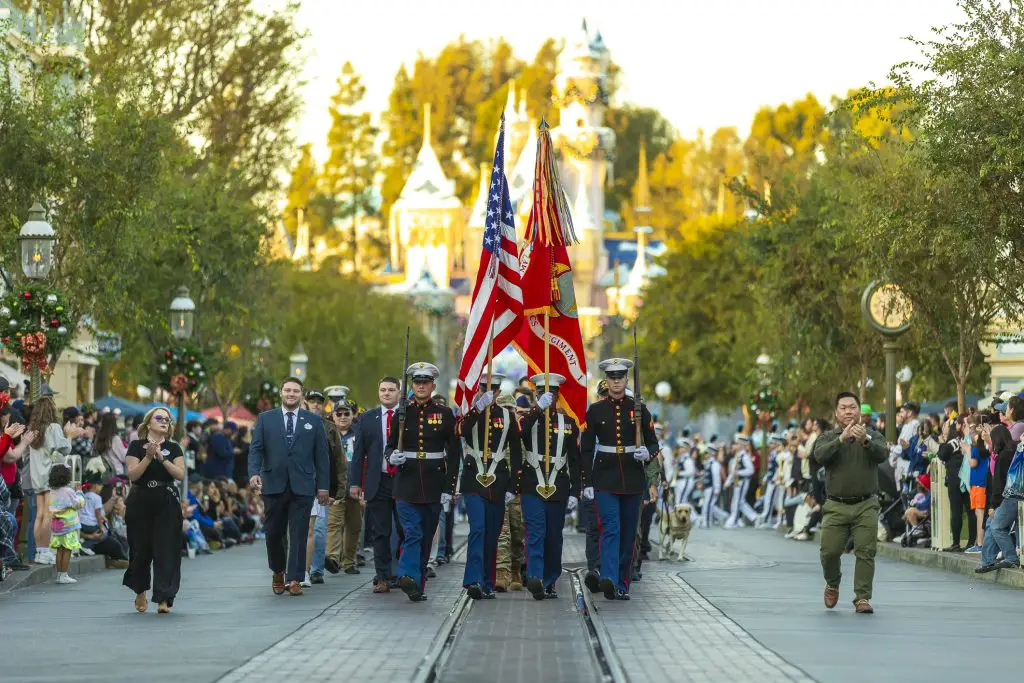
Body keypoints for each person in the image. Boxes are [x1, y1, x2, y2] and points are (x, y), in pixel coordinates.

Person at [580, 358, 658, 601]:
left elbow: (653, 441)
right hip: (605, 478)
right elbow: (585, 449)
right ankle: (609, 579)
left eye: (620, 377)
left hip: (633, 479)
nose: (616, 382)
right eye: (612, 377)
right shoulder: (595, 410)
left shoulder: (639, 409)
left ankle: (623, 583)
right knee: (610, 529)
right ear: (607, 380)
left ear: (626, 380)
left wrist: (647, 453)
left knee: (627, 535)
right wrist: (587, 483)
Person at [385, 362, 461, 602]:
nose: (420, 386)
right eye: (417, 382)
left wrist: (450, 489)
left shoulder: (445, 414)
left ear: (432, 385)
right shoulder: (401, 413)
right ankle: (406, 575)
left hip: (434, 484)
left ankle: (416, 583)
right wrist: (392, 457)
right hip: (405, 482)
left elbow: (454, 453)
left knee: (426, 535)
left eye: (425, 382)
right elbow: (389, 446)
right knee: (413, 532)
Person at [248, 377, 330, 597]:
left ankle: (295, 579)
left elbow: (322, 457)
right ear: (281, 393)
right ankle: (277, 571)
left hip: (303, 486)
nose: (291, 394)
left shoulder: (313, 421)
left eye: (295, 391)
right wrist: (254, 473)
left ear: (301, 394)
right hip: (273, 484)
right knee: (273, 532)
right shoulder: (265, 419)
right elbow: (255, 449)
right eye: (287, 390)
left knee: (299, 533)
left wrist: (323, 487)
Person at [813, 392, 888, 615]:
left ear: (860, 411)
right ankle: (832, 582)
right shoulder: (828, 437)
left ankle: (862, 597)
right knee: (829, 551)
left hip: (866, 504)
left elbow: (883, 454)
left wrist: (865, 441)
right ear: (836, 413)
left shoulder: (873, 435)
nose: (848, 411)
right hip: (836, 505)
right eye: (843, 408)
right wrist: (840, 441)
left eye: (852, 407)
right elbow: (819, 456)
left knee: (866, 551)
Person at [459, 373, 522, 600]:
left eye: (493, 388)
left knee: (492, 533)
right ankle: (473, 579)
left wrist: (513, 486)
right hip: (473, 478)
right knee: (478, 528)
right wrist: (478, 408)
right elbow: (462, 431)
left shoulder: (506, 415)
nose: (489, 391)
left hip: (498, 480)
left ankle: (486, 582)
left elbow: (515, 451)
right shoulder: (470, 413)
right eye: (484, 387)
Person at [519, 373, 582, 600]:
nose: (547, 396)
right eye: (542, 392)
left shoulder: (568, 423)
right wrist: (537, 408)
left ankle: (550, 579)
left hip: (558, 485)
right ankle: (535, 578)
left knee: (553, 536)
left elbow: (575, 459)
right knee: (536, 532)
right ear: (536, 393)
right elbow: (520, 432)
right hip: (532, 484)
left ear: (557, 395)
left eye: (552, 393)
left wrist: (576, 490)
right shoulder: (529, 417)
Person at [123, 406, 186, 613]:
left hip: (166, 499)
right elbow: (133, 475)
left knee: (166, 550)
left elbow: (179, 474)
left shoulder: (174, 448)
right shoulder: (136, 445)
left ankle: (163, 597)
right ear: (149, 422)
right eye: (159, 418)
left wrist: (162, 458)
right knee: (140, 549)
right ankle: (140, 590)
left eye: (167, 419)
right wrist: (148, 457)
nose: (163, 421)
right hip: (141, 500)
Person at [350, 377, 402, 593]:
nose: (387, 393)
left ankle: (402, 572)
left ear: (399, 392)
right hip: (377, 481)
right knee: (380, 531)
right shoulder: (367, 418)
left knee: (405, 529)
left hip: (403, 480)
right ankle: (382, 576)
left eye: (391, 390)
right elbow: (358, 453)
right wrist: (355, 483)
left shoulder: (407, 415)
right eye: (383, 390)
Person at [27, 388, 74, 565]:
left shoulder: (34, 429)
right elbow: (65, 449)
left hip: (36, 476)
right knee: (47, 514)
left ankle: (39, 551)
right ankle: (45, 550)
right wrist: (69, 436)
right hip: (49, 476)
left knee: (39, 514)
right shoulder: (53, 427)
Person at [303, 390, 339, 585]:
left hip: (321, 487)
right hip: (301, 485)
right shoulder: (299, 422)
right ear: (306, 402)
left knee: (318, 530)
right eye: (312, 401)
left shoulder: (329, 428)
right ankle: (299, 570)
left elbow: (336, 462)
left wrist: (334, 490)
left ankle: (316, 570)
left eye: (319, 402)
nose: (315, 404)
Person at [327, 399, 361, 575]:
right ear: (333, 415)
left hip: (356, 485)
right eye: (338, 413)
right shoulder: (327, 433)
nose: (342, 417)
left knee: (354, 525)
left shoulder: (360, 433)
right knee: (334, 523)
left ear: (353, 415)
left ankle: (348, 561)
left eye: (346, 413)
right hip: (336, 486)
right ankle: (332, 559)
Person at [936, 418, 976, 552]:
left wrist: (942, 441)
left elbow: (942, 454)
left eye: (946, 425)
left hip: (955, 479)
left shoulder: (953, 441)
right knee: (970, 511)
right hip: (967, 478)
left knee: (957, 511)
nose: (944, 427)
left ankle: (956, 543)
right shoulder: (967, 439)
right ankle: (971, 542)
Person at [47, 463, 84, 584]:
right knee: (67, 549)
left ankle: (59, 574)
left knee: (59, 550)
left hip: (57, 525)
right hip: (68, 525)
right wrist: (79, 493)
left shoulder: (51, 491)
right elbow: (78, 504)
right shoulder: (68, 491)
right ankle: (64, 574)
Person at [725, 435, 757, 528]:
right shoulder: (738, 456)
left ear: (742, 445)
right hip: (737, 481)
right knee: (739, 501)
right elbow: (732, 471)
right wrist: (728, 482)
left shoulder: (744, 457)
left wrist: (738, 472)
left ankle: (733, 520)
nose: (736, 446)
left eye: (738, 444)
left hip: (742, 482)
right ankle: (754, 517)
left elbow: (751, 470)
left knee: (737, 501)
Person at [93, 412, 128, 477]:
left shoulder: (98, 438)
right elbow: (124, 457)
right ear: (114, 423)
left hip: (103, 472)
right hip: (116, 472)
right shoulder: (114, 439)